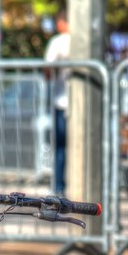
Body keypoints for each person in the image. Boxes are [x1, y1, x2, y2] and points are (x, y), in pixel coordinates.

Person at [44, 10, 70, 195]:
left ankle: (59, 187)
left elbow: (47, 72)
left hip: (61, 101)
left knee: (60, 147)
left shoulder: (57, 42)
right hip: (73, 102)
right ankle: (61, 186)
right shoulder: (86, 40)